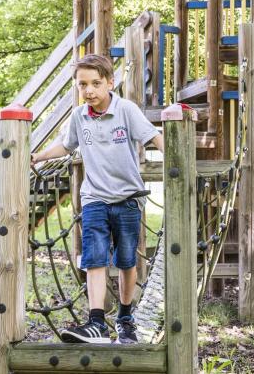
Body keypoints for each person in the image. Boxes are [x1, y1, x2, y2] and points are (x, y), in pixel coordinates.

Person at [31, 54, 164, 344]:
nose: (89, 90)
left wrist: (178, 160)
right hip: (94, 199)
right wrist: (39, 156)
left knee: (127, 261)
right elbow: (66, 146)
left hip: (129, 199)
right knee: (95, 259)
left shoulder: (126, 110)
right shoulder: (79, 116)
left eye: (95, 83)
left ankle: (126, 318)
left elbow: (154, 137)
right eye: (82, 85)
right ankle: (96, 322)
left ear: (109, 83)